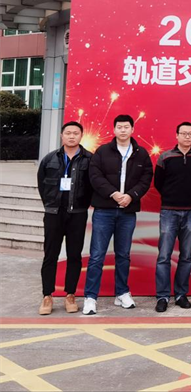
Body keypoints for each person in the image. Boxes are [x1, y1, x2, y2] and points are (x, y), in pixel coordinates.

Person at [83, 114, 153, 315]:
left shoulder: (141, 153)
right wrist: (113, 194)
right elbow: (95, 176)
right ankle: (90, 297)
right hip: (104, 210)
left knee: (123, 255)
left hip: (127, 212)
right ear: (114, 130)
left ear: (132, 129)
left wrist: (131, 195)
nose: (123, 130)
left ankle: (122, 293)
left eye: (126, 127)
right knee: (97, 255)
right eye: (119, 127)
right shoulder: (102, 151)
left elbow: (146, 178)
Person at [36, 121, 93, 315]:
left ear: (81, 136)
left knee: (74, 255)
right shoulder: (50, 158)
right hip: (54, 214)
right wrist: (50, 204)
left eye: (75, 133)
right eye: (68, 133)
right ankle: (47, 295)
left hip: (77, 214)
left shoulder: (89, 159)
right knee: (50, 255)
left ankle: (70, 294)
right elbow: (42, 184)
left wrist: (83, 204)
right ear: (62, 135)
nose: (71, 136)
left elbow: (93, 185)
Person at [153, 122, 191, 313]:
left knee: (186, 255)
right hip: (169, 211)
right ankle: (162, 296)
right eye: (183, 133)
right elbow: (158, 182)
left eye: (190, 133)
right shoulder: (166, 157)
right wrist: (171, 196)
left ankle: (180, 294)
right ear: (176, 135)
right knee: (164, 255)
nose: (187, 136)